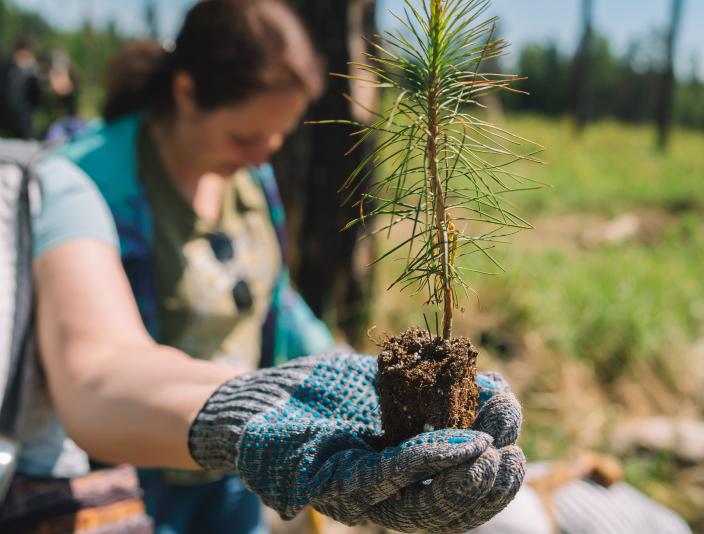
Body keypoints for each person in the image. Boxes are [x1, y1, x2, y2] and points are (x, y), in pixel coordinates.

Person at [0, 1, 525, 533]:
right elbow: (92, 363)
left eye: (278, 138)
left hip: (240, 467)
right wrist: (243, 411)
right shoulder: (77, 184)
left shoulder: (250, 181)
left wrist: (336, 366)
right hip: (129, 471)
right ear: (186, 93)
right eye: (246, 137)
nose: (262, 155)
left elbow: (274, 297)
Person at [0, 36, 43, 139]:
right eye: (22, 56)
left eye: (27, 56)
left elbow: (37, 100)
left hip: (23, 127)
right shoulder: (5, 68)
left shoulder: (34, 75)